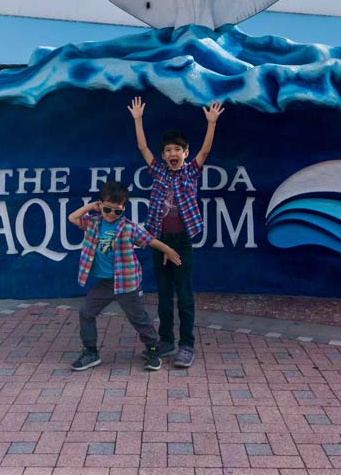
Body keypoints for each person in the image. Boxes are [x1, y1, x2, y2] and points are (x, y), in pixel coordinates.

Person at [129, 95, 224, 369]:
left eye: (177, 150)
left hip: (181, 243)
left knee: (183, 295)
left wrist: (211, 123)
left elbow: (205, 151)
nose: (173, 153)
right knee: (162, 294)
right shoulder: (158, 171)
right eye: (168, 150)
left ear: (185, 153)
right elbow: (142, 146)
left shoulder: (190, 172)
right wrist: (138, 120)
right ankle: (166, 341)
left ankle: (186, 345)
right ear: (163, 155)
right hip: (159, 242)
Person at [68, 179, 181, 372]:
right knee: (86, 312)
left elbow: (150, 240)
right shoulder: (93, 223)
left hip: (127, 283)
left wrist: (168, 250)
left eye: (117, 211)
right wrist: (91, 207)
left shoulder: (129, 228)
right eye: (107, 209)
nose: (112, 215)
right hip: (106, 284)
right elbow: (73, 218)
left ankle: (153, 350)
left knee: (139, 320)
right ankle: (91, 352)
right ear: (101, 205)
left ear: (124, 209)